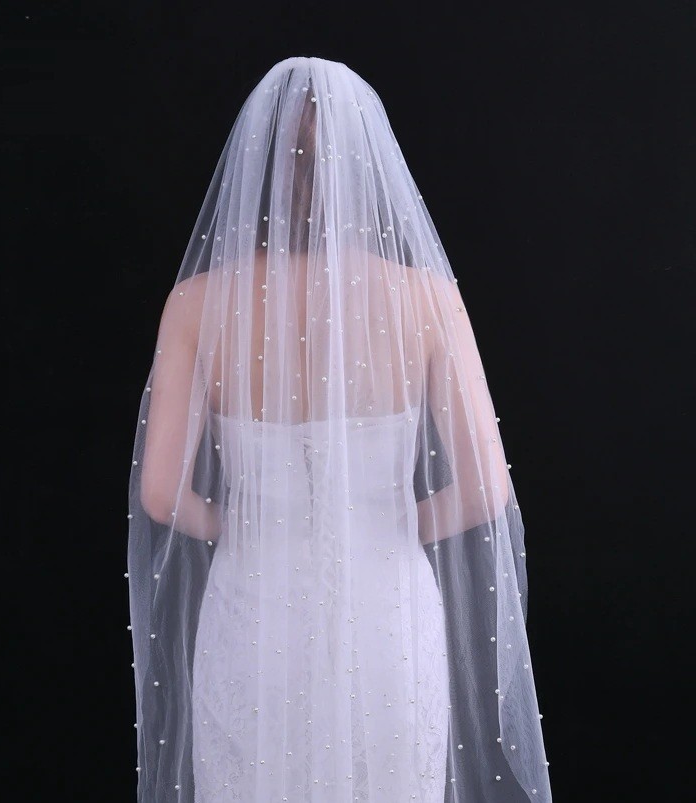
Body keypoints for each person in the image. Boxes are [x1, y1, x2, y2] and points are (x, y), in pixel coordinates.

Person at [126, 56, 553, 802]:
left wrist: (239, 523)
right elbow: (486, 490)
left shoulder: (197, 304)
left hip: (254, 606)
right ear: (365, 167)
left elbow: (161, 495)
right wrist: (394, 525)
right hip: (386, 609)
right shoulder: (427, 299)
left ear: (257, 168)